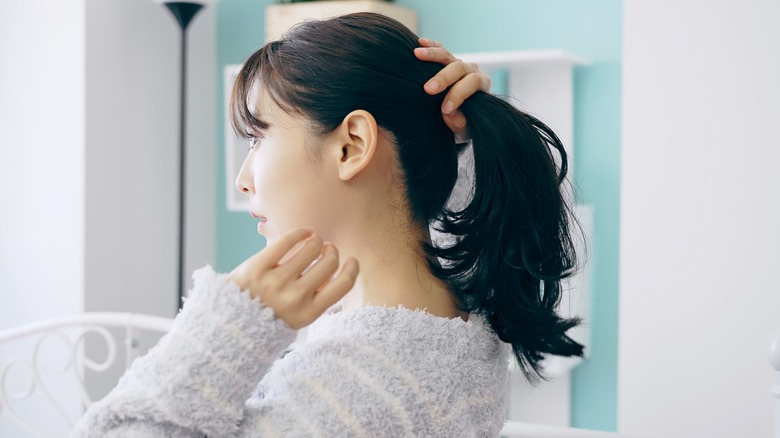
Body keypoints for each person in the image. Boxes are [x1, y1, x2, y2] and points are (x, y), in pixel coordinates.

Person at [73, 12, 583, 437]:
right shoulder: (458, 326)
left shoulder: (354, 395)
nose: (243, 179)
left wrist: (221, 328)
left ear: (351, 145)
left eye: (257, 137)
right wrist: (456, 137)